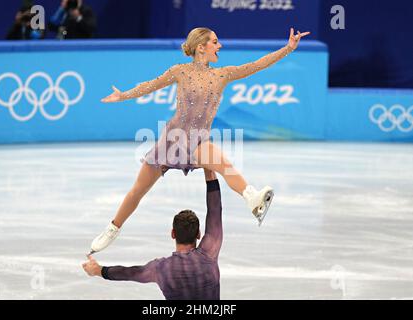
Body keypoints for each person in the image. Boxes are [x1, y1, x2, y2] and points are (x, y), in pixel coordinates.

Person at [90, 27, 310, 254]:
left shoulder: (222, 74)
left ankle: (251, 197)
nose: (220, 46)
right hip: (172, 140)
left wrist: (287, 49)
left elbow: (256, 65)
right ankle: (113, 228)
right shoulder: (180, 71)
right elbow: (150, 85)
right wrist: (123, 95)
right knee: (138, 190)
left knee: (226, 166)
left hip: (198, 142)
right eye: (215, 42)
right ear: (201, 47)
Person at [83, 169, 223, 300]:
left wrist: (99, 270)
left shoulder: (161, 268)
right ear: (198, 234)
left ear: (173, 234)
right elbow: (215, 210)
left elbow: (129, 273)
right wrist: (208, 168)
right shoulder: (209, 252)